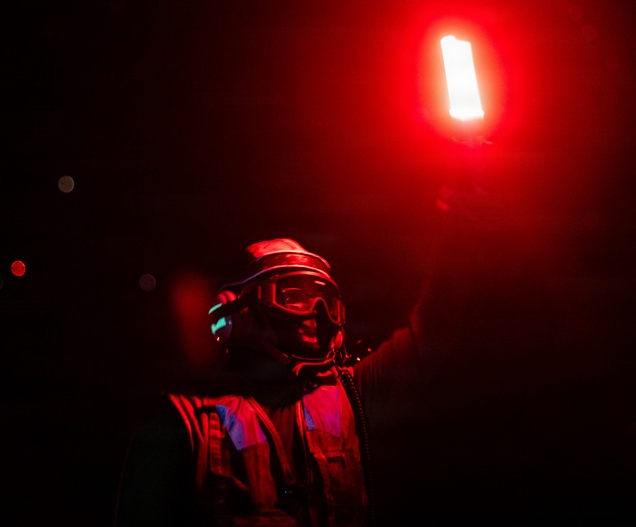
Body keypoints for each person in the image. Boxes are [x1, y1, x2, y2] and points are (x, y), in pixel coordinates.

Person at [113, 184, 487, 526]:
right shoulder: (183, 423)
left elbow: (432, 331)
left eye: (326, 300)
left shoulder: (351, 397)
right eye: (295, 295)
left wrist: (459, 221)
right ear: (241, 313)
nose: (318, 314)